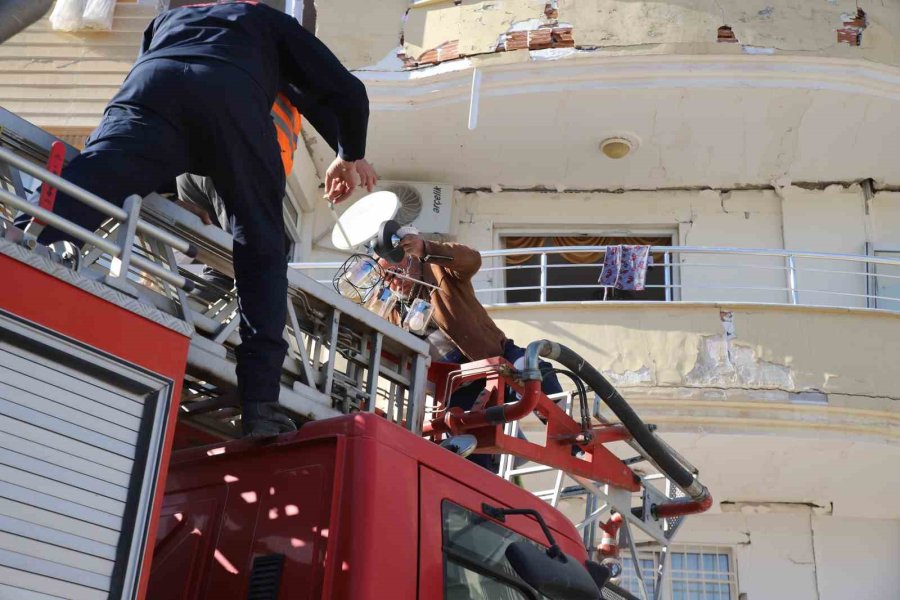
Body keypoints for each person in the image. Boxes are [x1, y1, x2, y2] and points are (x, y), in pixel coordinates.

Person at [28, 1, 377, 437]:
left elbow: (157, 100)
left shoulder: (168, 20)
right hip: (230, 105)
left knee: (91, 180)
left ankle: (24, 261)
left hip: (149, 89)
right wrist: (350, 153)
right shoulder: (268, 23)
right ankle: (259, 404)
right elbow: (345, 91)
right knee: (261, 249)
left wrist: (156, 187)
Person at [379, 233, 563, 472]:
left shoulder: (439, 271)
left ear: (410, 260)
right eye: (388, 278)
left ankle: (568, 436)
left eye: (396, 271)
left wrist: (426, 248)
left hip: (494, 356)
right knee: (470, 448)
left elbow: (471, 260)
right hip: (459, 386)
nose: (394, 282)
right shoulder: (393, 311)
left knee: (532, 371)